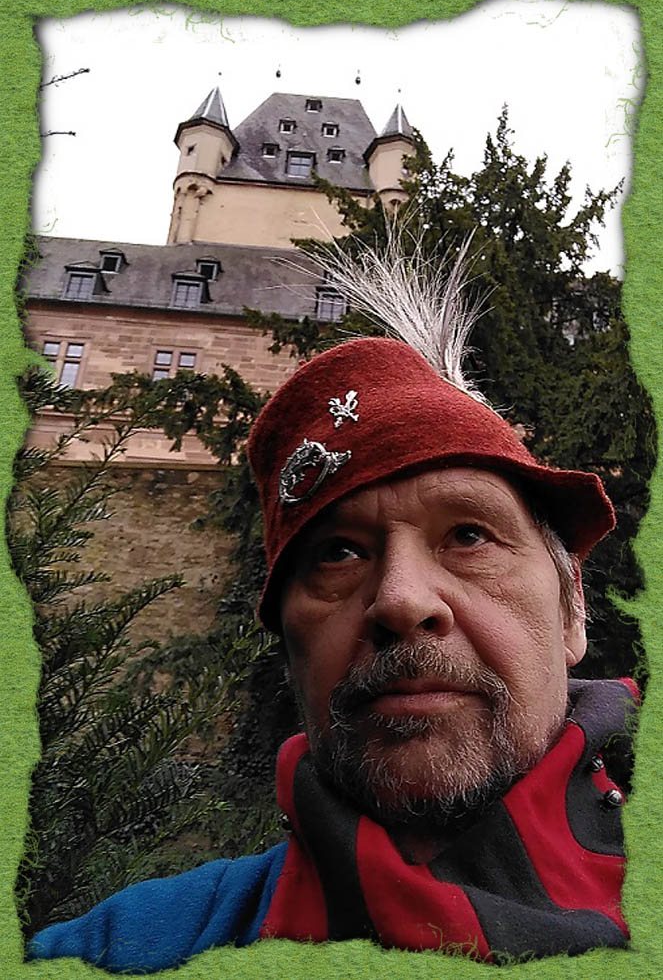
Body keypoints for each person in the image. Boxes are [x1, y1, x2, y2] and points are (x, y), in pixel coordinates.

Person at [27, 238, 638, 972]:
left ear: (571, 611)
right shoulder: (122, 950)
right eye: (338, 553)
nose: (401, 600)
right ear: (290, 647)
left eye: (468, 536)